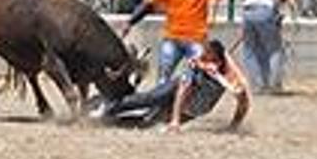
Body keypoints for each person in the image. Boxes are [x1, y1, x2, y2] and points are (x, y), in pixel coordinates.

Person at [94, 40, 251, 132]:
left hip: (193, 108)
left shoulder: (231, 76)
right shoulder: (196, 65)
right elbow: (184, 88)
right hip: (176, 91)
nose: (202, 54)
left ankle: (109, 121)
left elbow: (243, 101)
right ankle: (108, 107)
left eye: (206, 53)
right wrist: (175, 120)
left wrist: (234, 125)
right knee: (150, 98)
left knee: (148, 122)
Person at [123, 0, 236, 84]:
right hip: (173, 38)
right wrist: (130, 22)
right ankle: (161, 101)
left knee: (194, 78)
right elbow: (148, 5)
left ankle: (186, 100)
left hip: (195, 39)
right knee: (163, 78)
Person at [240, 0, 294, 94]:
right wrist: (278, 1)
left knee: (250, 50)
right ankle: (273, 84)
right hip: (266, 10)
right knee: (274, 49)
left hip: (248, 12)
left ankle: (256, 85)